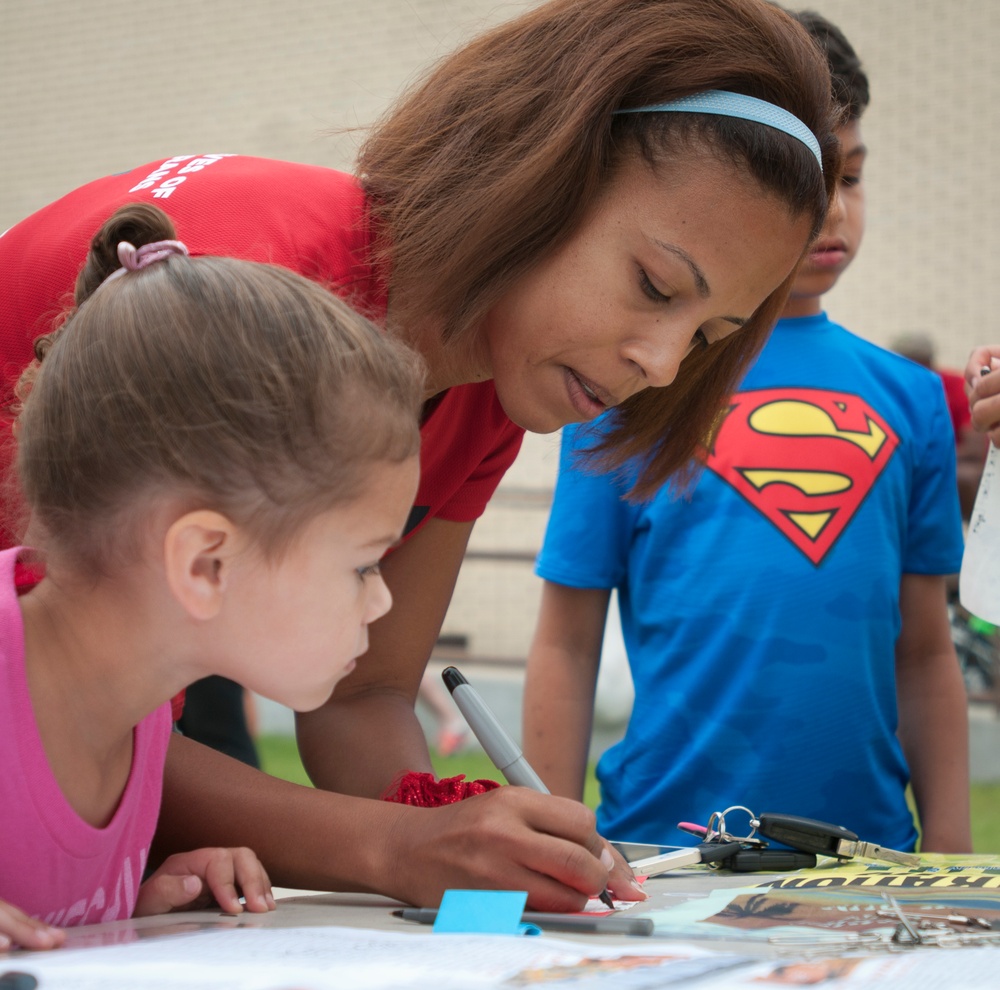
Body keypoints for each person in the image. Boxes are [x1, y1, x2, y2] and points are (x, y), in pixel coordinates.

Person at [0, 0, 840, 909]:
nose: (664, 362)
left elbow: (362, 694)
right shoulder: (255, 299)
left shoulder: (497, 375)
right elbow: (70, 717)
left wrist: (453, 824)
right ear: (535, 170)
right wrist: (398, 845)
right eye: (654, 285)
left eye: (709, 336)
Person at [524, 9, 972, 854]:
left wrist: (949, 852)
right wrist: (550, 831)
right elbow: (566, 638)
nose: (832, 211)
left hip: (870, 856)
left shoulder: (913, 399)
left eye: (854, 177)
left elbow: (923, 652)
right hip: (663, 846)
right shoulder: (628, 381)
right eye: (809, 183)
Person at [0, 202, 425, 950]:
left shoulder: (139, 714)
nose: (382, 600)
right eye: (363, 563)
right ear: (203, 564)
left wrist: (131, 901)